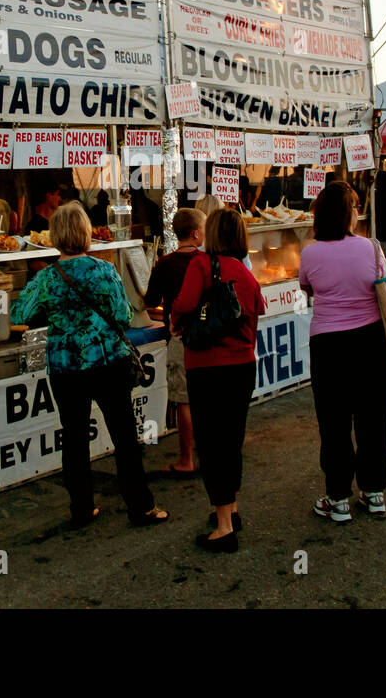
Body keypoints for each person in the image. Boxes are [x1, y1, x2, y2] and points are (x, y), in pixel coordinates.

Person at [9, 202, 169, 529]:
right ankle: (141, 507)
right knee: (124, 437)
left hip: (66, 369)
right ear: (85, 233)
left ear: (55, 236)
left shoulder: (47, 278)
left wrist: (53, 314)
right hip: (108, 362)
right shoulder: (104, 271)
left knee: (75, 439)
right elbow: (123, 316)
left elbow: (19, 315)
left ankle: (81, 509)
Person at [298, 180, 386, 522]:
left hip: (329, 345)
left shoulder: (310, 252)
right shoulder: (371, 248)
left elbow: (306, 286)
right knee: (373, 416)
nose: (357, 212)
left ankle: (337, 498)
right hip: (371, 341)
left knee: (334, 422)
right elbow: (383, 283)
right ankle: (374, 491)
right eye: (354, 207)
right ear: (347, 213)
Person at [171, 210, 262, 553]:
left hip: (207, 367)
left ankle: (224, 527)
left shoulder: (202, 265)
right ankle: (231, 510)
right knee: (231, 440)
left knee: (211, 445)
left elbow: (183, 303)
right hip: (241, 367)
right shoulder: (246, 273)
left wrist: (177, 321)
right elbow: (255, 311)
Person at [143, 208, 206, 477]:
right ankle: (208, 454)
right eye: (203, 228)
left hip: (179, 337)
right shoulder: (207, 261)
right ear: (195, 233)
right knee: (206, 397)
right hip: (208, 335)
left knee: (184, 401)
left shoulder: (164, 264)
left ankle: (185, 459)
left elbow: (150, 301)